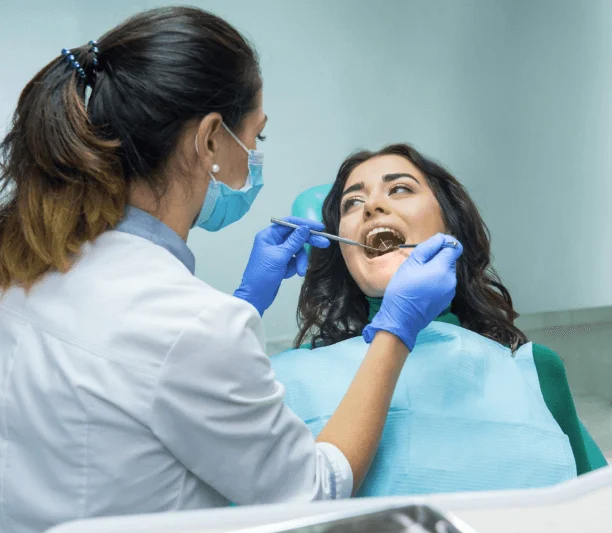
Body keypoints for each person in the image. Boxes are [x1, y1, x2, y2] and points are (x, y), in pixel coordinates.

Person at [0, 7, 463, 532]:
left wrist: (245, 302)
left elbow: (160, 369)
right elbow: (314, 492)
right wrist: (396, 330)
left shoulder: (27, 261)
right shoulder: (200, 328)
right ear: (210, 141)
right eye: (256, 138)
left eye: (400, 189)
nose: (374, 207)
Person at [271, 143, 608, 497]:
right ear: (342, 249)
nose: (371, 206)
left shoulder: (536, 371)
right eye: (352, 203)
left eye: (400, 189)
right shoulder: (282, 380)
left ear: (450, 225)